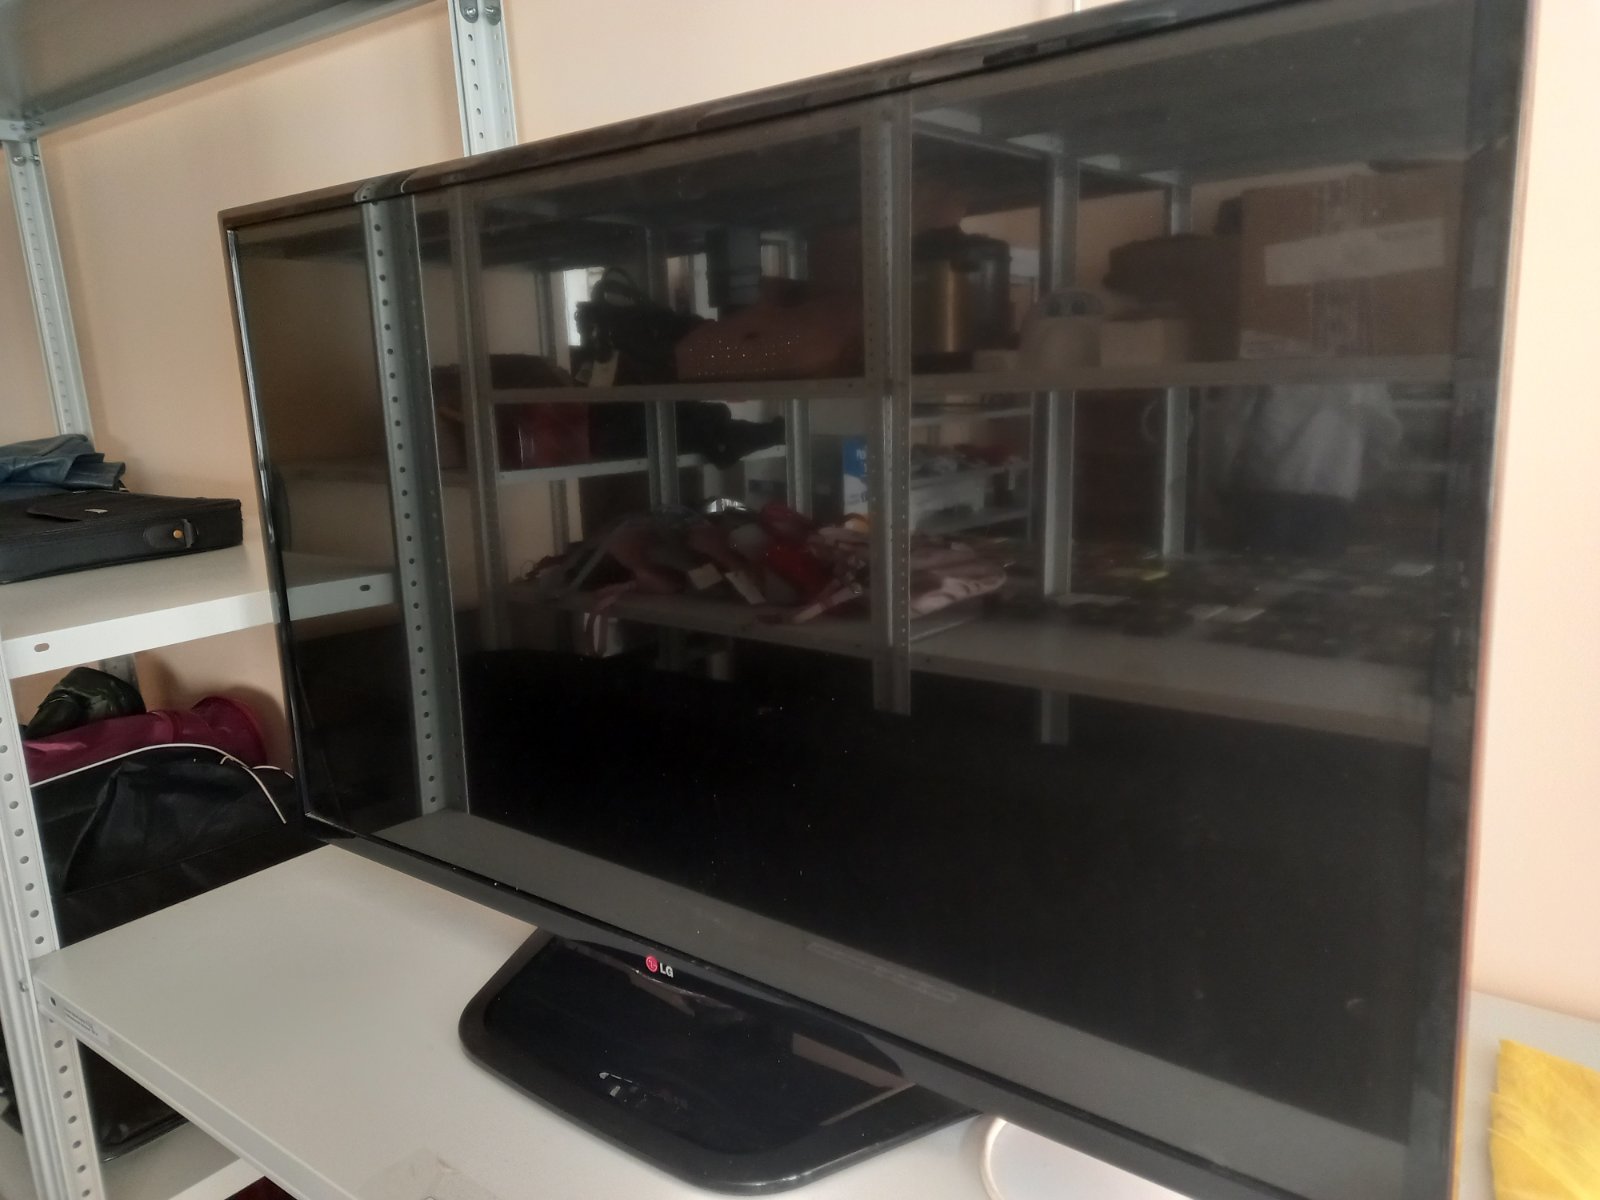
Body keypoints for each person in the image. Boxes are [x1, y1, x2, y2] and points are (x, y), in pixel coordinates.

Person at [1216, 381, 1401, 557]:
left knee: (1257, 573)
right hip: (1332, 499)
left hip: (1267, 495)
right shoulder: (1362, 373)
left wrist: (1219, 481)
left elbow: (1228, 429)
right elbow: (1385, 436)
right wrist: (1361, 480)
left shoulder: (1260, 361)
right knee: (1321, 575)